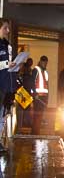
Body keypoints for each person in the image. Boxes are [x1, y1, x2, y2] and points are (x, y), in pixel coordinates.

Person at [0, 19, 16, 152]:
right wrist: (6, 64)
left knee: (2, 116)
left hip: (7, 85)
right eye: (5, 28)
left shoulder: (7, 45)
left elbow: (8, 64)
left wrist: (15, 65)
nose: (8, 31)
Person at [31, 55, 50, 135]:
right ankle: (35, 132)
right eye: (44, 62)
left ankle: (36, 132)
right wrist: (35, 94)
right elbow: (32, 82)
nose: (45, 64)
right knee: (37, 115)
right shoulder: (36, 70)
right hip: (38, 96)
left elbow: (46, 85)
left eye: (46, 63)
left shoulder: (45, 72)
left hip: (43, 97)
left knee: (40, 115)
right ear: (41, 62)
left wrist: (47, 98)